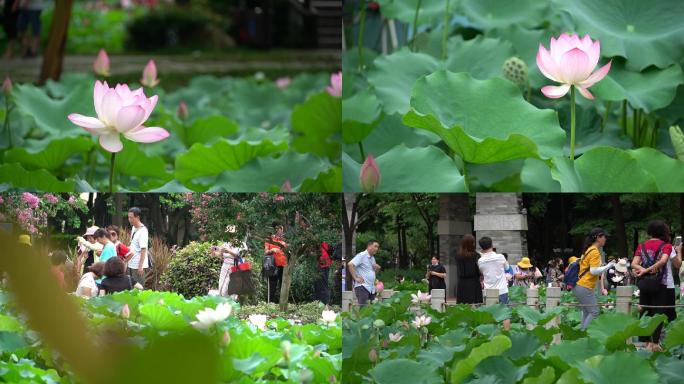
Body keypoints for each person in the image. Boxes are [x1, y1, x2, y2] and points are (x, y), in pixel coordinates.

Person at [632, 221, 676, 351]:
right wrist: (649, 269)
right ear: (663, 232)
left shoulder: (642, 245)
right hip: (659, 284)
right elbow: (663, 261)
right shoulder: (666, 246)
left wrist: (643, 270)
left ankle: (644, 343)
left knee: (645, 312)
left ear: (649, 232)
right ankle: (655, 343)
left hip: (645, 284)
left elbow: (634, 263)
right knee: (658, 313)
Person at [574, 228, 614, 330]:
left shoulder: (589, 250)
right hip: (585, 286)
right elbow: (593, 271)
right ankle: (584, 334)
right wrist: (609, 266)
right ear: (598, 237)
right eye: (604, 236)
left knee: (587, 312)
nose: (605, 239)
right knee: (594, 312)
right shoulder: (594, 252)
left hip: (580, 286)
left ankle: (582, 335)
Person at [477, 236, 511, 330]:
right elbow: (507, 268)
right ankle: (506, 334)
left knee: (490, 315)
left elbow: (481, 272)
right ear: (492, 245)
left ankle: (491, 336)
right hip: (502, 290)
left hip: (489, 291)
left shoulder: (480, 261)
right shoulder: (500, 257)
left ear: (481, 248)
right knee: (505, 314)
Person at [211, 225, 243, 297]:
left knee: (227, 288)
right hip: (225, 266)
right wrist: (213, 251)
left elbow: (238, 256)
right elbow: (220, 254)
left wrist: (229, 251)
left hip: (234, 267)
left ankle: (231, 303)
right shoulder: (226, 243)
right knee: (221, 286)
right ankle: (223, 303)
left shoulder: (240, 244)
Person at [347, 240, 381, 306]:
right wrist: (355, 278)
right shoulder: (362, 255)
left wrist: (377, 269)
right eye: (375, 246)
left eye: (378, 247)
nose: (377, 249)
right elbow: (350, 264)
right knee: (364, 310)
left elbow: (371, 272)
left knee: (370, 310)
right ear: (369, 246)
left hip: (371, 288)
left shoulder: (372, 258)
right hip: (363, 287)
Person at [455, 234, 482, 304]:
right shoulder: (476, 256)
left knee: (462, 306)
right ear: (471, 244)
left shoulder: (458, 255)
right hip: (474, 283)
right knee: (475, 305)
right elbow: (478, 271)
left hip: (461, 283)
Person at [264, 222, 288, 303]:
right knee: (272, 286)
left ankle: (282, 304)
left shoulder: (285, 240)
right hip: (272, 265)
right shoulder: (270, 239)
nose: (279, 231)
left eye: (280, 229)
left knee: (282, 286)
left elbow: (289, 252)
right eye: (277, 229)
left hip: (283, 266)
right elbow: (266, 252)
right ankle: (270, 304)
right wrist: (272, 250)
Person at [126, 207, 149, 287]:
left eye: (131, 217)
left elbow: (143, 249)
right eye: (128, 217)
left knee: (139, 289)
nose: (129, 219)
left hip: (138, 266)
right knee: (132, 289)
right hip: (131, 264)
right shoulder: (133, 228)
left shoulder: (143, 231)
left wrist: (140, 267)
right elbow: (132, 245)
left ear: (137, 217)